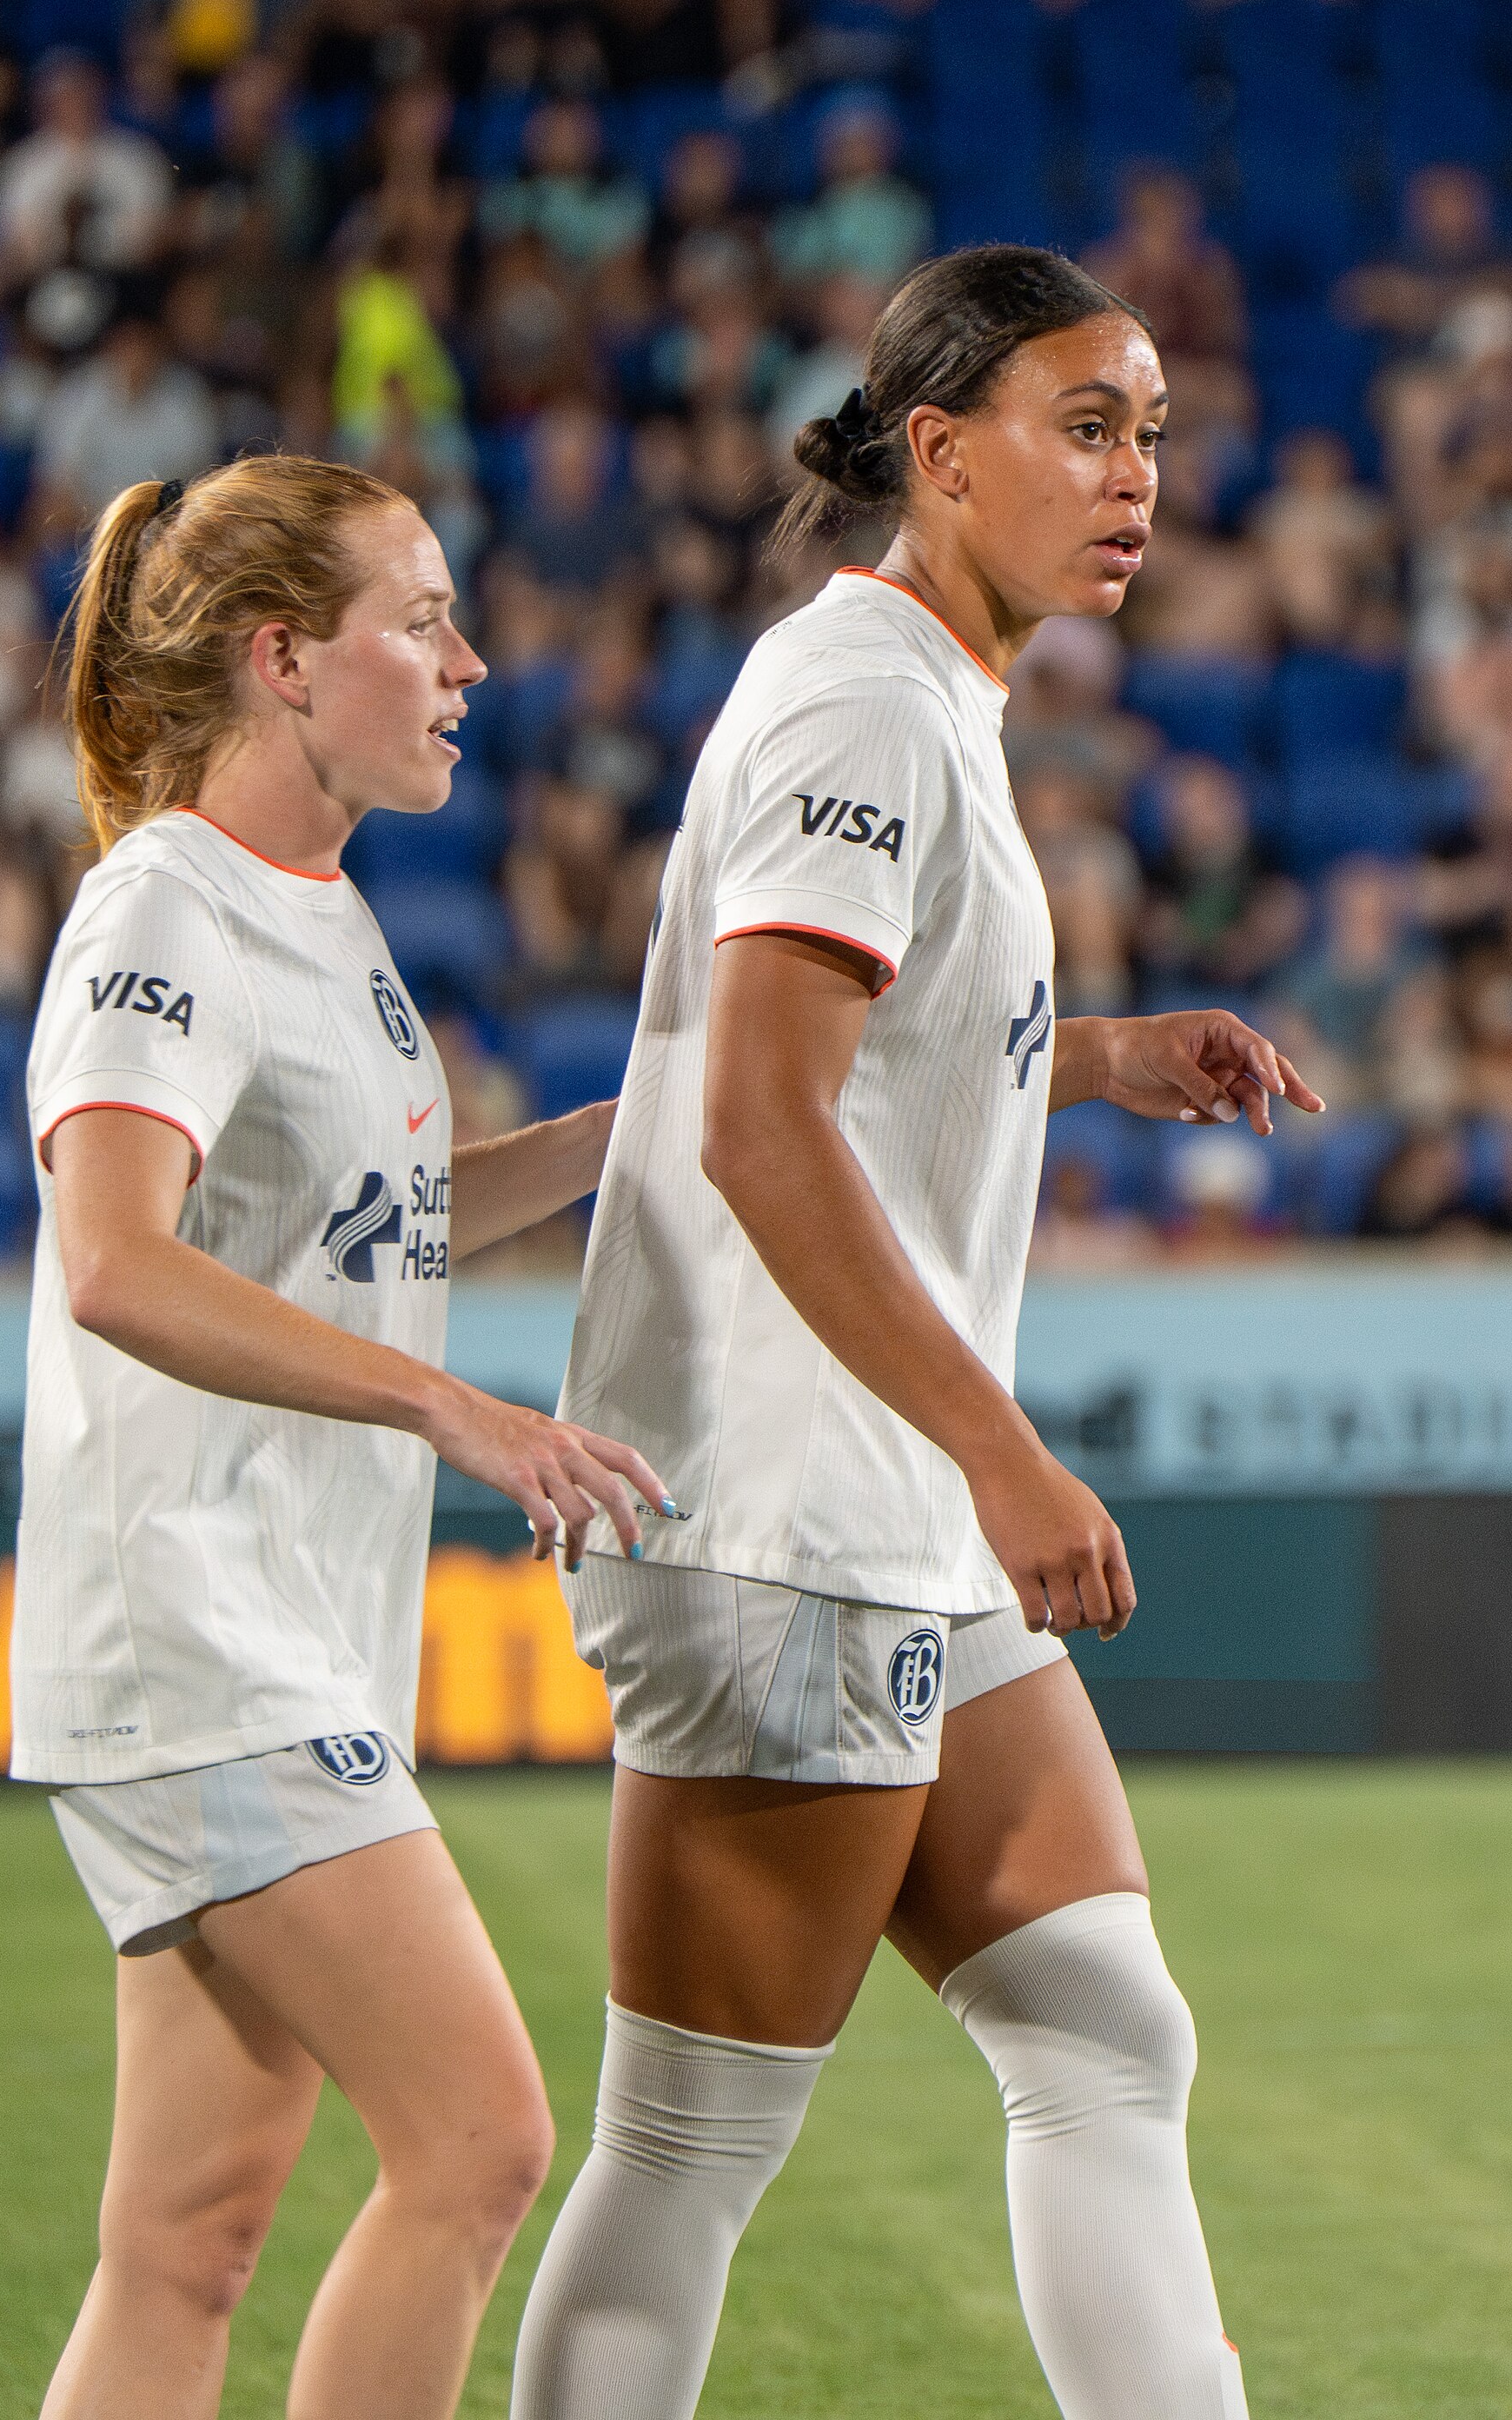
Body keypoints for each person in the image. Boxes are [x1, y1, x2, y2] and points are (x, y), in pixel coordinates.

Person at [511, 246, 1324, 2420]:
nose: (1136, 475)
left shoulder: (916, 691)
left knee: (1103, 2032)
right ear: (941, 456)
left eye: (1151, 430)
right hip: (798, 1511)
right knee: (686, 2148)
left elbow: (870, 1053)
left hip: (876, 1517)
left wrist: (1104, 1048)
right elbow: (762, 1126)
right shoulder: (863, 702)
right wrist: (1005, 1451)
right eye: (1087, 427)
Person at [10, 452, 673, 2420]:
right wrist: (454, 1407)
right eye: (426, 620)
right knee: (477, 2145)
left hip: (266, 1636)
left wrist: (633, 1133)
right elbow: (117, 1262)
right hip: (201, 1637)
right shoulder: (167, 912)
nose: (471, 664)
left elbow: (365, 1223)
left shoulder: (320, 916)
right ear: (286, 660)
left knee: (186, 2244)